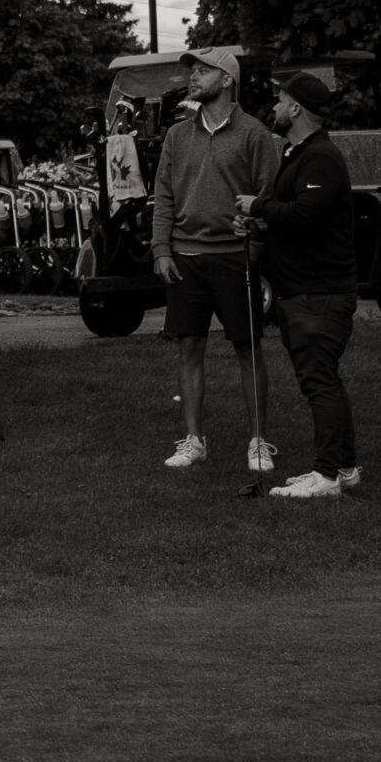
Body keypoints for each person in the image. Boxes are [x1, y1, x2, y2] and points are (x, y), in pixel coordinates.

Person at [153, 46, 281, 472]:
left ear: (227, 80)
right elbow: (164, 198)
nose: (193, 77)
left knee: (248, 347)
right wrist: (161, 249)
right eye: (192, 71)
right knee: (189, 346)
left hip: (235, 257)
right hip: (186, 256)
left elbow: (270, 200)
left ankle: (259, 440)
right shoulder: (177, 136)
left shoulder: (254, 134)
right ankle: (193, 440)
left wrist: (255, 251)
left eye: (204, 71)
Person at [237, 73, 363, 498]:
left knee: (318, 381)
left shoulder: (321, 158)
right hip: (303, 290)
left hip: (319, 292)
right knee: (325, 378)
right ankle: (344, 468)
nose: (273, 108)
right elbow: (291, 214)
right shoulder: (299, 154)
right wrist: (259, 219)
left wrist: (259, 205)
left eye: (280, 101)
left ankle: (326, 475)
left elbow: (307, 214)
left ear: (295, 109)